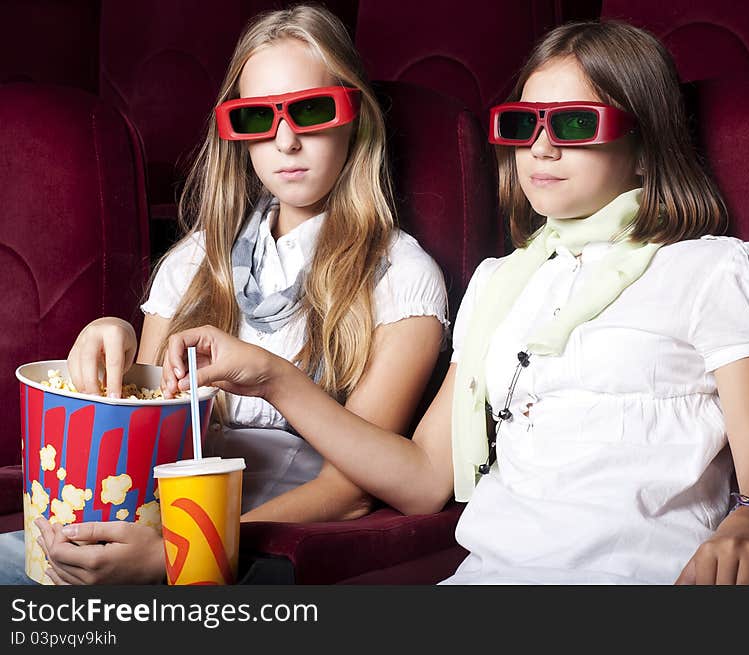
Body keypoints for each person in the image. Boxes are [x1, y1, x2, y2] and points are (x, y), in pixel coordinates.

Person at [164, 19, 749, 584]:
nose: (541, 148)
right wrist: (272, 376)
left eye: (577, 124)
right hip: (490, 578)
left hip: (644, 572)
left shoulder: (712, 268)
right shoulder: (501, 285)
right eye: (524, 124)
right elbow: (422, 482)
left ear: (645, 150)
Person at [3, 4, 447, 585]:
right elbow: (144, 422)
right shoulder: (197, 255)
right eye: (257, 117)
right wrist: (109, 339)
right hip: (146, 519)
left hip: (264, 545)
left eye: (311, 110)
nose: (285, 140)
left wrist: (179, 554)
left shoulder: (403, 275)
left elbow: (350, 493)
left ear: (354, 117)